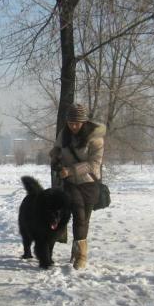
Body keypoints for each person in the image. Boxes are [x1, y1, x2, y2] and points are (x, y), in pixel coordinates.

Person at [50, 103, 105, 269]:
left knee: (84, 218)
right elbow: (56, 150)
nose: (73, 126)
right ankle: (81, 256)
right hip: (70, 183)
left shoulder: (95, 137)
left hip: (89, 182)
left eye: (77, 123)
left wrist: (72, 170)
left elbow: (94, 163)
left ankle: (77, 250)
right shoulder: (64, 134)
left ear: (84, 122)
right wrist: (55, 158)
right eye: (70, 122)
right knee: (78, 213)